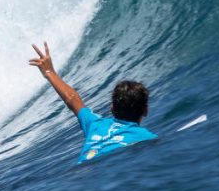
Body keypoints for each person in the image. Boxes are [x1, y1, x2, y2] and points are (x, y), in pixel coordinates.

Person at [29, 41, 157, 162]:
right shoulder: (147, 138)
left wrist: (49, 72)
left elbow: (72, 99)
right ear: (145, 110)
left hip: (82, 169)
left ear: (112, 108)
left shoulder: (95, 124)